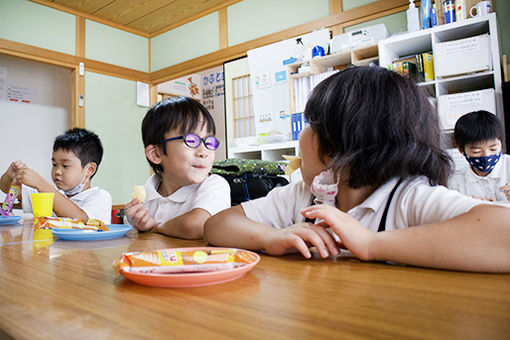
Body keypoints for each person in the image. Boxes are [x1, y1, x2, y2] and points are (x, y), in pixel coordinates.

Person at [204, 66, 510, 273]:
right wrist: (271, 237)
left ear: (343, 142)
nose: (301, 136)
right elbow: (218, 226)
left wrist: (369, 244)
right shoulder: (304, 195)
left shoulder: (407, 196)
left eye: (311, 124)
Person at [125, 96, 230, 239]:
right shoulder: (148, 192)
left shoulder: (215, 185)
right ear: (156, 154)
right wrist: (136, 220)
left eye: (209, 142)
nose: (203, 152)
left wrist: (155, 227)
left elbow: (195, 225)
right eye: (191, 140)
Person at [0, 128, 112, 223]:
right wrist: (10, 176)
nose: (57, 171)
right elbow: (7, 188)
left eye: (65, 165)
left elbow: (83, 221)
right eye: (54, 164)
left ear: (89, 169)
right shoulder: (47, 192)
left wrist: (41, 184)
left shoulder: (100, 197)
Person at [448, 110, 510, 202]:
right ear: (461, 150)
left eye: (493, 149)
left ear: (501, 144)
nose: (486, 155)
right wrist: (470, 208)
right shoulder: (455, 182)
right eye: (476, 151)